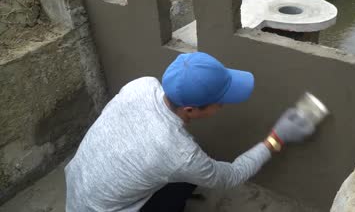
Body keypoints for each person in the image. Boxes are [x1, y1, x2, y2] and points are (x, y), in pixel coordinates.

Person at [65, 52, 316, 212]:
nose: (223, 106)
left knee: (187, 172)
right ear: (190, 110)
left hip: (79, 191)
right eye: (221, 101)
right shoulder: (179, 154)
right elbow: (230, 176)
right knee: (188, 177)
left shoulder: (141, 85)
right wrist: (278, 137)